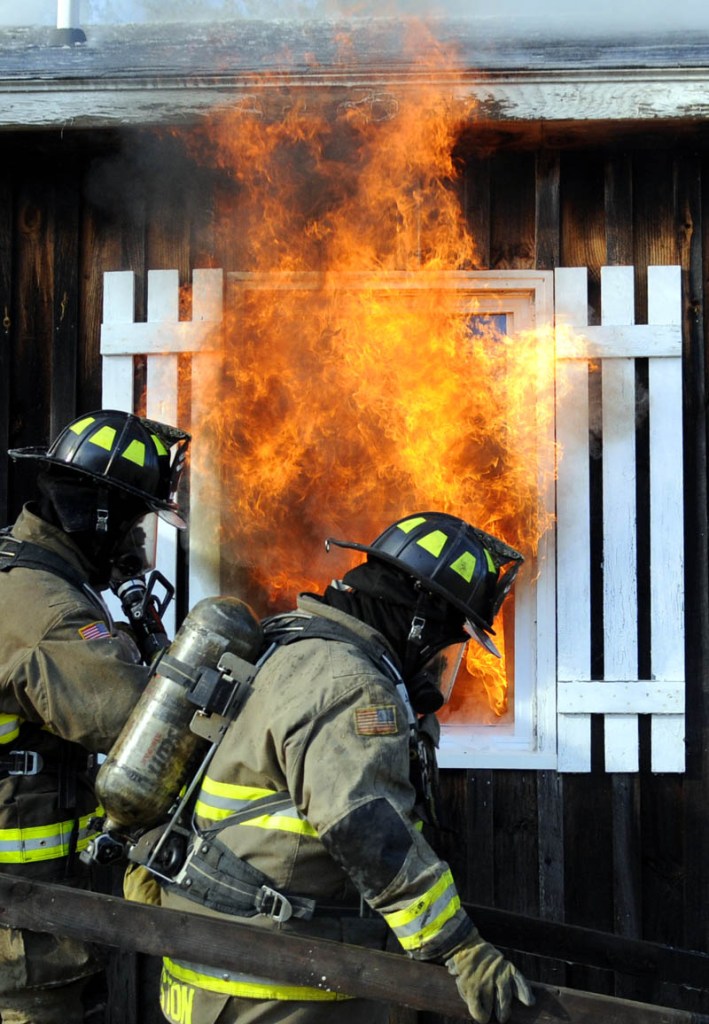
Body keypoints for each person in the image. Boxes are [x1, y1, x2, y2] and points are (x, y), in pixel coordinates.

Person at [155, 510, 535, 1024]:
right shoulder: (351, 684)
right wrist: (459, 946)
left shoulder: (294, 643)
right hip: (271, 985)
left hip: (231, 962)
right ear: (419, 623)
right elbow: (367, 829)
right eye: (448, 641)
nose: (441, 660)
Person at [0, 409, 190, 1024]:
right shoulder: (52, 616)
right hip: (24, 941)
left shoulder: (15, 569)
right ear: (98, 515)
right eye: (134, 519)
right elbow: (146, 732)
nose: (136, 541)